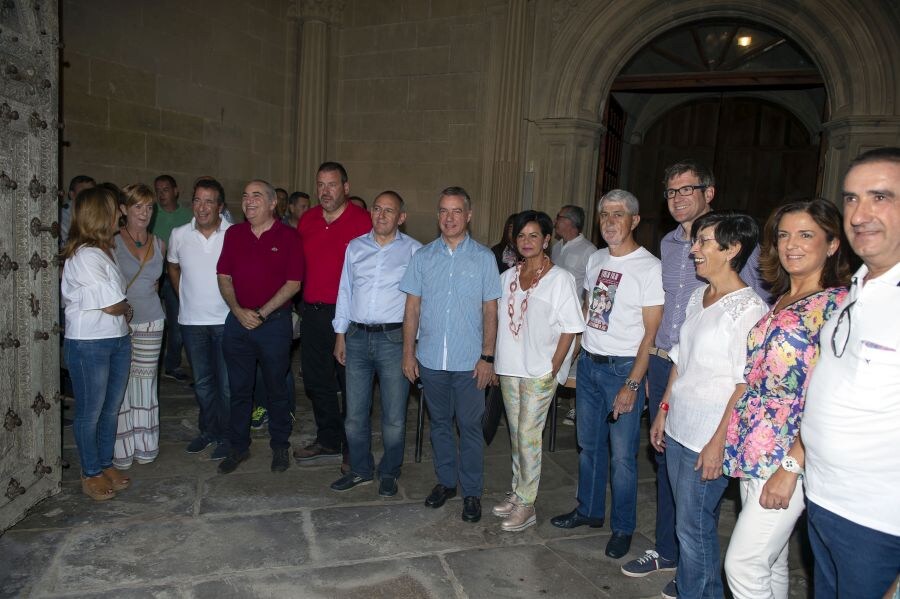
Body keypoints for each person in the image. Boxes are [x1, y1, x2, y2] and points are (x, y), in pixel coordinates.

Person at [622, 159, 766, 598]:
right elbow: (680, 344)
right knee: (677, 494)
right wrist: (661, 403)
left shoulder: (746, 299)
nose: (694, 250)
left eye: (704, 243)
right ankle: (681, 569)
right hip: (677, 392)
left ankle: (697, 582)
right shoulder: (685, 275)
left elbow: (745, 374)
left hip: (713, 407)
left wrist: (720, 438)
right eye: (671, 192)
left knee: (697, 515)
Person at [720, 199, 850, 598]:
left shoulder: (837, 306)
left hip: (792, 451)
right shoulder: (781, 299)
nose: (792, 244)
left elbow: (831, 397)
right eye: (784, 235)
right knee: (770, 561)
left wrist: (792, 466)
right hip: (757, 444)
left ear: (832, 244)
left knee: (742, 563)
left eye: (806, 235)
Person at [802, 147, 900, 598]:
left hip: (879, 523)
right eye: (852, 199)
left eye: (880, 197)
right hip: (824, 501)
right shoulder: (854, 289)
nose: (860, 214)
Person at [551, 189, 663, 561]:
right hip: (591, 366)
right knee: (588, 446)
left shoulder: (649, 267)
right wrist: (575, 359)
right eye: (604, 215)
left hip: (622, 369)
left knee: (623, 457)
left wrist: (633, 383)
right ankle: (589, 510)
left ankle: (623, 528)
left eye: (618, 215)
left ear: (634, 220)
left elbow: (652, 333)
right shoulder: (597, 259)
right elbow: (588, 311)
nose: (610, 222)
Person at [400, 186, 501, 523]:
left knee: (470, 427)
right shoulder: (423, 257)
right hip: (430, 359)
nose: (450, 218)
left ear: (468, 215)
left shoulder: (484, 258)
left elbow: (491, 310)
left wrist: (487, 357)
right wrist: (408, 353)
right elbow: (412, 308)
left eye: (457, 211)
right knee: (440, 424)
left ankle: (472, 492)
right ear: (438, 215)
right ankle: (446, 482)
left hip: (470, 362)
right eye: (444, 211)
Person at [493, 210, 584, 531]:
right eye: (521, 236)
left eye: (534, 235)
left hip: (539, 371)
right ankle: (518, 492)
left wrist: (554, 367)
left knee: (530, 436)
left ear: (547, 239)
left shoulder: (560, 279)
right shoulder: (506, 278)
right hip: (510, 367)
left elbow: (572, 328)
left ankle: (527, 504)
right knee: (517, 433)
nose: (526, 242)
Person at [329, 191, 422, 497]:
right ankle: (360, 469)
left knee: (394, 415)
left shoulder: (414, 252)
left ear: (401, 217)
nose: (381, 215)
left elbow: (419, 303)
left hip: (394, 339)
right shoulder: (355, 248)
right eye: (377, 209)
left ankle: (389, 471)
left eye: (389, 211)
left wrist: (414, 345)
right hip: (356, 337)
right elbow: (345, 291)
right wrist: (340, 333)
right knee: (355, 413)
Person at [216, 180, 304, 474]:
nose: (249, 201)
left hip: (273, 325)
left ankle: (280, 446)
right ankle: (238, 447)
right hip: (238, 323)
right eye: (245, 196)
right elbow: (224, 276)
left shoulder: (289, 237)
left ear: (272, 203)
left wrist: (261, 314)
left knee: (276, 388)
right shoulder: (234, 234)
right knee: (239, 390)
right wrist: (238, 311)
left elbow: (294, 283)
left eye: (256, 196)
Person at [294, 162, 371, 467]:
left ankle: (354, 445)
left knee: (351, 382)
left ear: (346, 188)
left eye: (332, 185)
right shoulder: (308, 220)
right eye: (321, 185)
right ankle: (329, 439)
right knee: (316, 381)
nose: (325, 191)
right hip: (312, 313)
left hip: (348, 317)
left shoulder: (362, 221)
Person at [61, 186, 134, 500]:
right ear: (101, 214)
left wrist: (123, 307)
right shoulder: (85, 254)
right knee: (90, 412)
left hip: (117, 338)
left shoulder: (107, 248)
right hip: (89, 343)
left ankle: (105, 463)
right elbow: (112, 303)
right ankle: (90, 471)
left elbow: (115, 302)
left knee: (110, 408)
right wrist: (126, 307)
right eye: (116, 208)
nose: (122, 212)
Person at [168, 177, 232, 461]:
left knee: (227, 385)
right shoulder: (179, 234)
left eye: (209, 201)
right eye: (197, 200)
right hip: (192, 322)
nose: (202, 207)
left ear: (220, 206)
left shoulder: (235, 234)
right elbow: (173, 267)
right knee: (203, 383)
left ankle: (229, 435)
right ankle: (209, 431)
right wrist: (184, 296)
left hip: (227, 321)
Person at [111, 184, 166, 469]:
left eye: (149, 207)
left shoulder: (159, 244)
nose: (144, 213)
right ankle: (122, 449)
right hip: (119, 323)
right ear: (123, 209)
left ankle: (146, 446)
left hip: (152, 320)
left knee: (145, 384)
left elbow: (155, 284)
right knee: (120, 384)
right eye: (137, 207)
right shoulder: (111, 242)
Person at [551, 204, 598, 426]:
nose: (555, 221)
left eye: (559, 217)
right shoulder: (557, 247)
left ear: (569, 222)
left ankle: (575, 407)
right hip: (554, 315)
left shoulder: (588, 251)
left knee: (574, 360)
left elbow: (590, 288)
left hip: (576, 315)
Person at [150, 174, 192, 383]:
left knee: (177, 323)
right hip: (153, 276)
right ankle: (149, 363)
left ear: (176, 191)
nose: (161, 194)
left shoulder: (187, 216)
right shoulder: (151, 214)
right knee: (151, 321)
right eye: (158, 190)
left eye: (165, 189)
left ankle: (172, 364)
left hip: (175, 274)